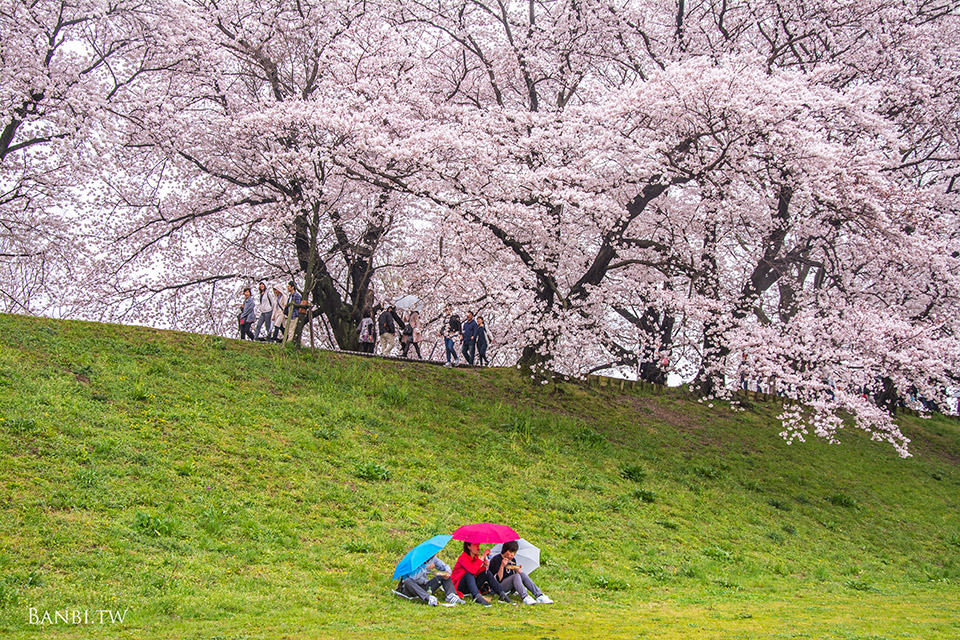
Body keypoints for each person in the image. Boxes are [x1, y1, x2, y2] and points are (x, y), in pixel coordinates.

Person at [489, 541, 553, 605]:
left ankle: (539, 595)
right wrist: (502, 566)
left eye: (514, 553)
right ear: (505, 550)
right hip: (498, 587)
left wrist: (518, 570)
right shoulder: (496, 559)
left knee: (522, 574)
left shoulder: (512, 560)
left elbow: (514, 576)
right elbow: (498, 579)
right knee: (516, 576)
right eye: (510, 552)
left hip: (510, 586)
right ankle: (525, 597)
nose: (512, 555)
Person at [450, 541, 513, 606]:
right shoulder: (463, 558)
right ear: (468, 547)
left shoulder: (475, 557)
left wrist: (484, 566)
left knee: (486, 573)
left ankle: (501, 594)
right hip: (460, 586)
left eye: (478, 544)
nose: (478, 547)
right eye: (475, 544)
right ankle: (477, 597)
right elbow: (472, 570)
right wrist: (483, 556)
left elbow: (477, 572)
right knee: (469, 574)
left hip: (471, 585)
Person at [397, 555, 465, 606]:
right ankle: (428, 598)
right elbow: (413, 577)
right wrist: (426, 568)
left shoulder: (433, 559)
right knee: (408, 581)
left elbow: (444, 566)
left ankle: (451, 596)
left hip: (424, 586)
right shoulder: (415, 560)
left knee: (443, 577)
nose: (433, 556)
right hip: (411, 588)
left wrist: (447, 572)